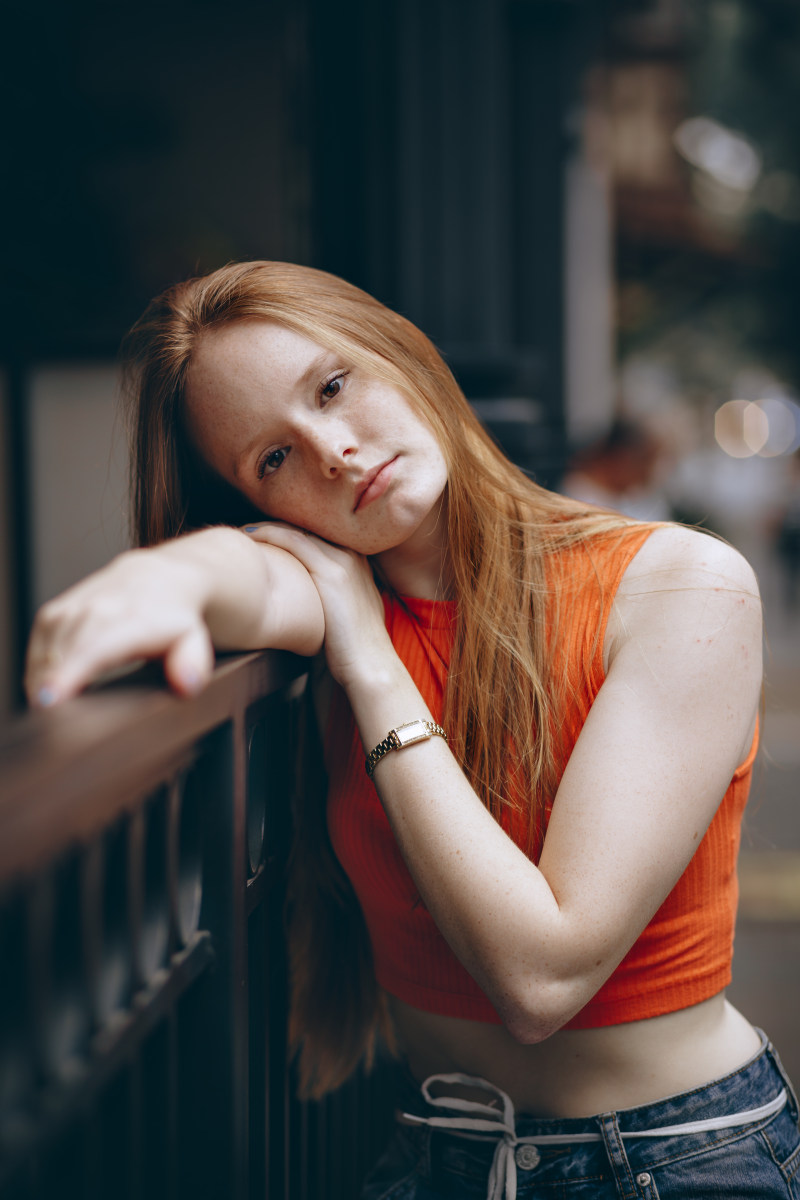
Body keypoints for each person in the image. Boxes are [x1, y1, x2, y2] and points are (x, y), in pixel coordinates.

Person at [25, 261, 799, 1199]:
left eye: (333, 387)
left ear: (399, 352)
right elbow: (245, 576)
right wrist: (165, 580)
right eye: (272, 459)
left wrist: (371, 666)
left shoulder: (679, 585)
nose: (333, 452)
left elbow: (542, 979)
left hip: (678, 1161)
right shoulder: (334, 589)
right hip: (441, 1158)